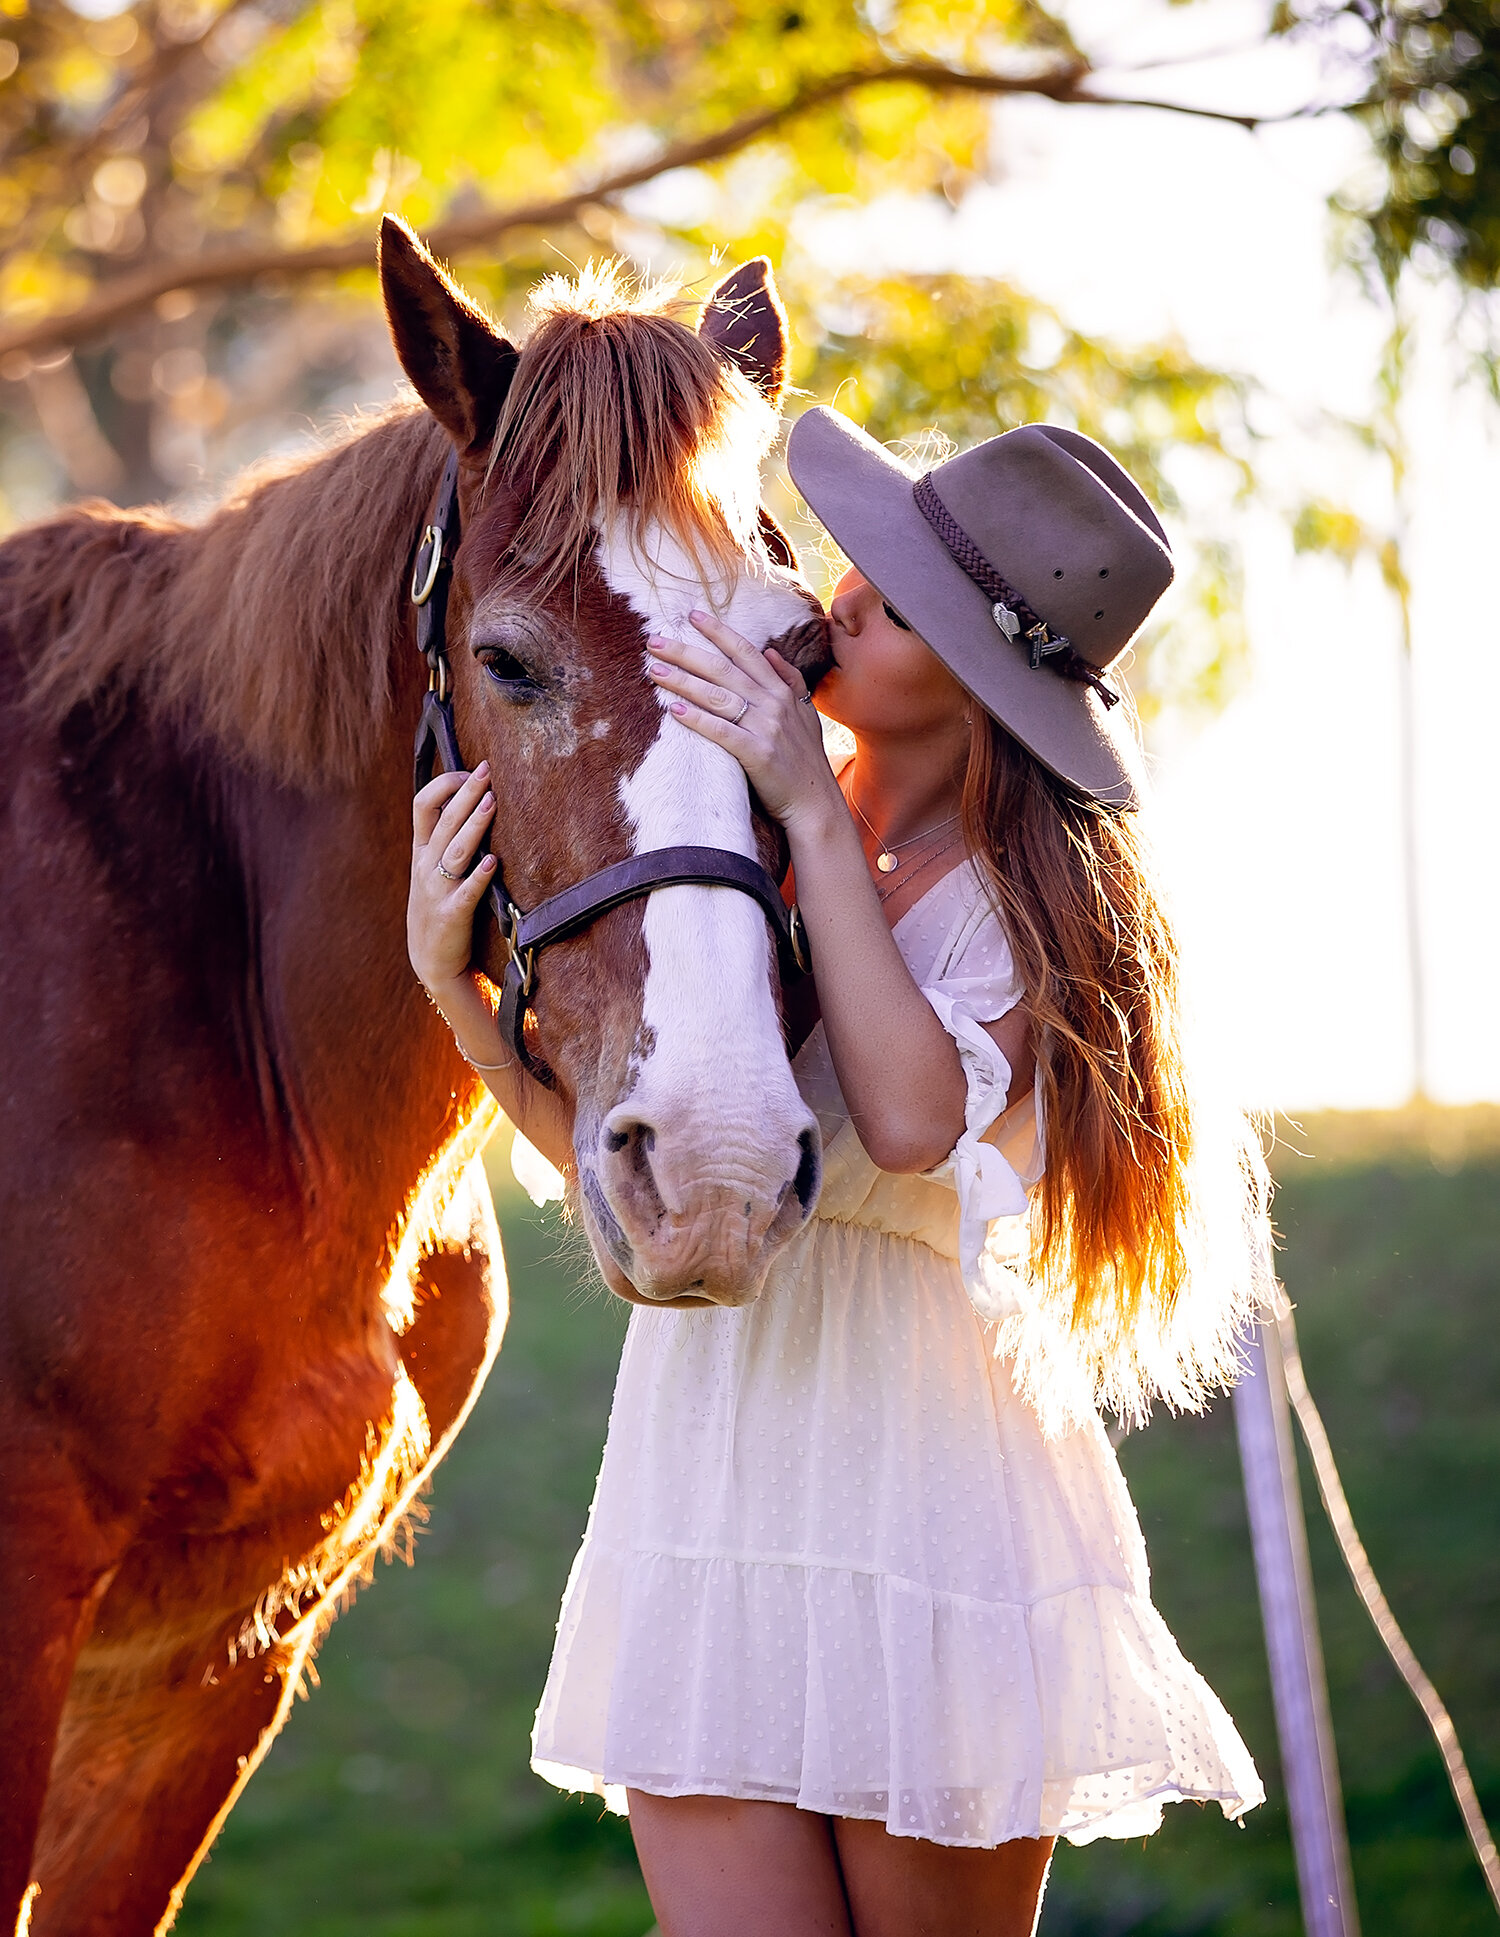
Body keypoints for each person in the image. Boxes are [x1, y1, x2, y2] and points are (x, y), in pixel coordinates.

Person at [408, 405, 1269, 1937]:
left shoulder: (1015, 909)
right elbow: (652, 1182)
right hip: (714, 1481)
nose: (845, 591)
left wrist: (808, 797)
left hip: (921, 1504)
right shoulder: (750, 845)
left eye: (903, 597)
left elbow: (913, 1116)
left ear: (981, 681)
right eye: (866, 562)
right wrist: (461, 1002)